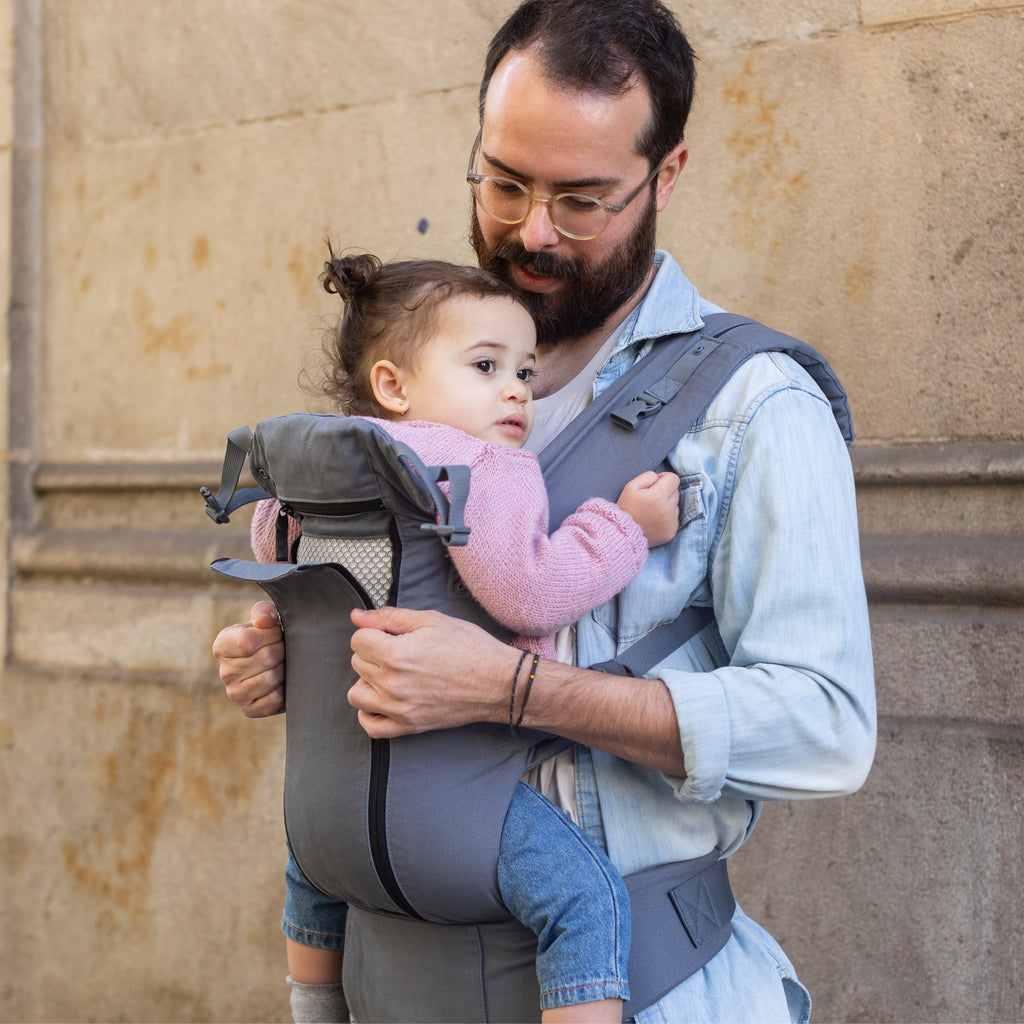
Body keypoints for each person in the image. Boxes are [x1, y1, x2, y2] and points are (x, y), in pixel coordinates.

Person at [214, 1, 876, 1021]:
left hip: (648, 990)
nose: (529, 230)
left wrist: (516, 689)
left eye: (579, 199)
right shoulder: (430, 375)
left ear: (666, 175)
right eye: (505, 181)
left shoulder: (754, 405)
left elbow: (826, 727)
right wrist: (298, 653)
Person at [249, 247, 682, 1023]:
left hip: (325, 808)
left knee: (310, 874)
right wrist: (625, 527)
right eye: (486, 366)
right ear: (394, 384)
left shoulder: (311, 467)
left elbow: (271, 555)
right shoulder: (482, 466)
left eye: (524, 370)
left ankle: (314, 1007)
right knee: (587, 900)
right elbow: (532, 593)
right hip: (457, 804)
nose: (515, 390)